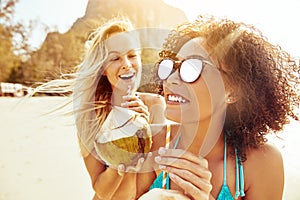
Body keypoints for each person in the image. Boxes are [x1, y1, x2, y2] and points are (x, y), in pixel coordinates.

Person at [139, 15, 300, 200]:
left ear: (232, 92)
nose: (172, 78)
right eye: (171, 67)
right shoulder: (148, 143)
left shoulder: (262, 162)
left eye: (192, 68)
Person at [71, 17, 166, 199]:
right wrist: (119, 160)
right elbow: (101, 190)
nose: (126, 64)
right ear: (103, 69)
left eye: (132, 55)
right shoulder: (90, 117)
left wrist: (145, 133)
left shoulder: (155, 105)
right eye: (115, 58)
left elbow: (156, 180)